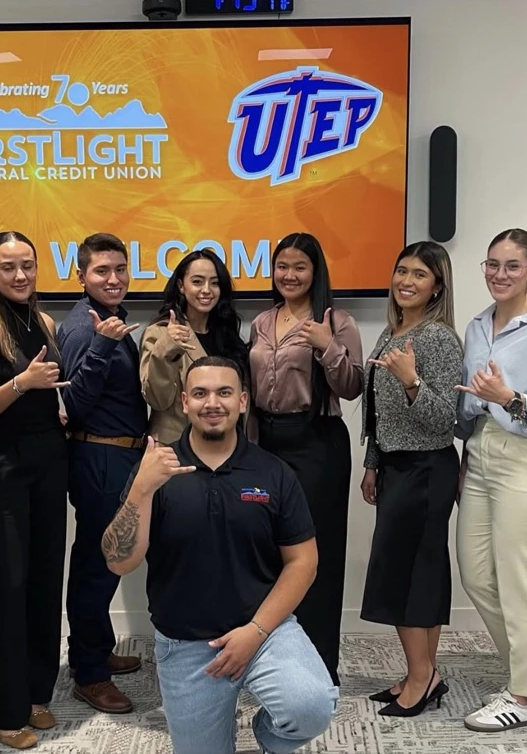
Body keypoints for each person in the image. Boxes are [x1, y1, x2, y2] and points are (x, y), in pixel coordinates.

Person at [101, 356, 338, 754]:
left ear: (242, 401)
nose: (213, 403)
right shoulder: (156, 471)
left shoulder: (273, 472)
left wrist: (256, 631)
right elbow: (118, 561)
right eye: (201, 393)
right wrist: (141, 489)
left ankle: (266, 738)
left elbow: (304, 561)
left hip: (265, 631)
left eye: (224, 392)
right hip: (187, 646)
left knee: (311, 706)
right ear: (185, 403)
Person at [0, 231, 69, 748]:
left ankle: (35, 695)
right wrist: (22, 383)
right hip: (0, 468)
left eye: (27, 264)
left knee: (46, 580)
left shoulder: (45, 321)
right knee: (8, 586)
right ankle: (4, 710)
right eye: (8, 267)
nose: (20, 275)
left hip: (48, 459)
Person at [455, 228, 527, 731]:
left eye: (512, 266)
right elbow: (471, 401)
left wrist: (511, 399)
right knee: (477, 574)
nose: (500, 274)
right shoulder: (478, 326)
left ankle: (522, 696)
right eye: (492, 264)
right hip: (481, 452)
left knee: (522, 581)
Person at [248, 232, 363, 687]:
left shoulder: (337, 320)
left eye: (300, 267)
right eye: (282, 266)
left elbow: (352, 387)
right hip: (266, 440)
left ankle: (318, 670)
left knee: (316, 555)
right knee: (267, 550)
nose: (289, 275)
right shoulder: (262, 321)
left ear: (315, 272)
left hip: (317, 442)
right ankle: (273, 664)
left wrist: (327, 346)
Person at [359, 241, 462, 717]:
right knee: (415, 572)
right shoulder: (393, 331)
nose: (406, 281)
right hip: (397, 467)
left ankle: (422, 678)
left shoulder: (438, 339)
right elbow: (379, 412)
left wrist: (411, 380)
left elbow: (445, 420)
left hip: (426, 470)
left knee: (409, 576)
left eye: (420, 274)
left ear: (437, 286)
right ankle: (424, 673)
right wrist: (373, 462)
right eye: (402, 270)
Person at [58, 233, 146, 714]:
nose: (113, 279)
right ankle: (89, 674)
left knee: (106, 561)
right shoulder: (83, 329)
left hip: (120, 458)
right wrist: (101, 345)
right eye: (102, 271)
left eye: (120, 269)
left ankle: (96, 650)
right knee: (97, 566)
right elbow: (72, 404)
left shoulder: (111, 319)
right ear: (81, 276)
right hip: (99, 460)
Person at [140, 249, 250, 445]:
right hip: (175, 448)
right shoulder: (159, 333)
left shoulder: (227, 334)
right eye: (197, 282)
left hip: (226, 447)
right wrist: (167, 346)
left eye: (214, 283)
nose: (206, 290)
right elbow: (157, 400)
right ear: (181, 286)